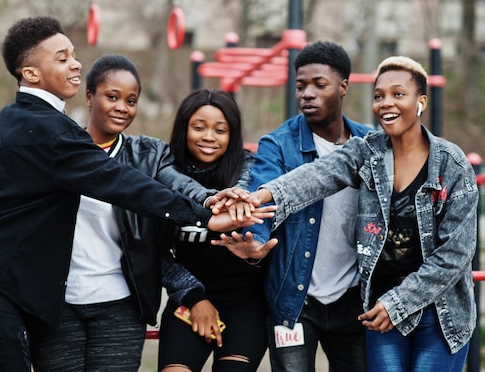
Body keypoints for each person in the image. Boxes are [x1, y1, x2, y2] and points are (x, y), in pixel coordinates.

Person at [0, 16, 274, 372]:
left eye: (74, 55)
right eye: (63, 58)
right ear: (31, 73)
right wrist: (206, 216)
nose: (75, 63)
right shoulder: (58, 134)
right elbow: (123, 184)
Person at [215, 56, 478, 372]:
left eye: (398, 94)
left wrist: (398, 304)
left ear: (421, 101)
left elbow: (454, 255)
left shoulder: (452, 165)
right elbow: (317, 175)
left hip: (441, 308)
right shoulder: (368, 150)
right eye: (378, 95)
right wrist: (257, 198)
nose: (385, 103)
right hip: (381, 299)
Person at [27, 54, 218, 372]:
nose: (122, 107)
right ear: (89, 97)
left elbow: (181, 187)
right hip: (55, 302)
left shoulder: (150, 155)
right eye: (112, 96)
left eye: (131, 100)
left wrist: (212, 202)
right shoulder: (56, 150)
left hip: (120, 304)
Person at [244, 41, 371, 371]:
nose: (307, 94)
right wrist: (254, 240)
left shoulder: (370, 144)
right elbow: (262, 192)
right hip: (294, 300)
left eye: (319, 84)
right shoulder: (278, 144)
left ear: (343, 87)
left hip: (353, 298)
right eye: (300, 86)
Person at [157, 89, 268, 372]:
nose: (209, 137)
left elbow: (248, 200)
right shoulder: (163, 174)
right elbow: (154, 251)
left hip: (245, 302)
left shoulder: (250, 171)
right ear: (184, 129)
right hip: (189, 299)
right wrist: (195, 298)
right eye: (199, 127)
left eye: (220, 130)